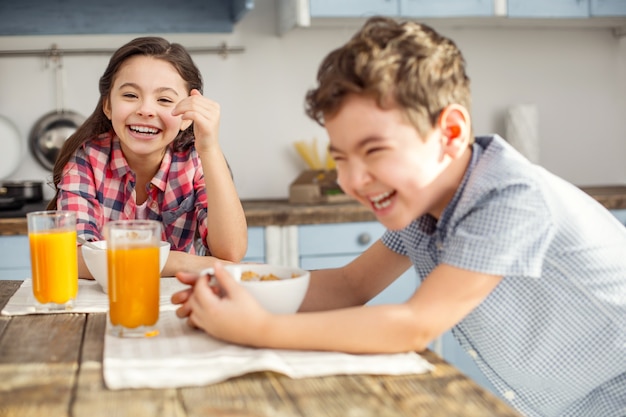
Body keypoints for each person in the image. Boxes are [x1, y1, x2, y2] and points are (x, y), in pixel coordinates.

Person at [171, 17, 626, 417]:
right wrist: (235, 287)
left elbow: (415, 323)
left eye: (375, 151)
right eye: (341, 157)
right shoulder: (426, 204)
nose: (355, 178)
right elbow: (350, 285)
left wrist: (260, 329)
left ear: (449, 132)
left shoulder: (509, 197)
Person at [49, 36, 248, 277]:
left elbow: (231, 252)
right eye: (131, 95)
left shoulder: (196, 160)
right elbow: (72, 257)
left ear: (187, 115)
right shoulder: (87, 159)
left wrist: (210, 147)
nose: (145, 110)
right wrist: (183, 263)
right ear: (108, 106)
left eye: (164, 99)